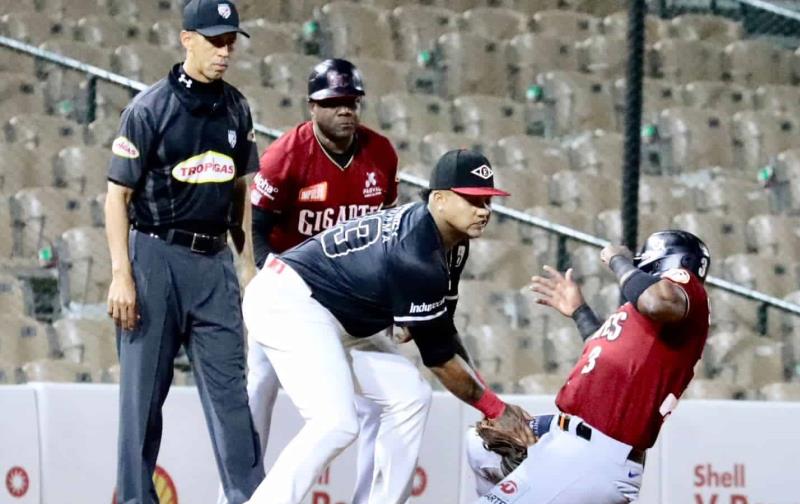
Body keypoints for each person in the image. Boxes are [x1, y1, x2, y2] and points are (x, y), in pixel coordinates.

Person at [242, 149, 536, 503]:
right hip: (288, 301)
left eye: (488, 201)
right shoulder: (417, 255)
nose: (484, 211)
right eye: (473, 200)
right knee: (334, 423)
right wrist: (496, 410)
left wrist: (493, 401)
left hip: (334, 315)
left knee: (410, 396)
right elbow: (439, 361)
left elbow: (444, 333)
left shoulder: (451, 243)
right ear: (440, 200)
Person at [104, 1, 263, 502]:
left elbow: (241, 189)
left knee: (232, 401)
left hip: (214, 263)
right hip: (155, 258)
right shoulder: (149, 108)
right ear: (186, 39)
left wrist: (247, 266)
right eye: (216, 40)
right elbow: (116, 195)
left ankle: (247, 497)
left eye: (231, 40)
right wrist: (121, 275)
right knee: (141, 405)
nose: (225, 50)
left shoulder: (237, 107)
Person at [242, 58, 400, 502]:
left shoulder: (381, 154)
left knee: (395, 398)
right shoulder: (286, 155)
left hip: (350, 299)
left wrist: (388, 302)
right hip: (293, 293)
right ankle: (238, 494)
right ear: (313, 106)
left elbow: (386, 231)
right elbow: (258, 225)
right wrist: (271, 282)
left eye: (351, 101)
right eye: (333, 103)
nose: (345, 110)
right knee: (258, 392)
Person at [471, 230, 712, 504]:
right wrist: (579, 310)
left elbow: (657, 301)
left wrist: (619, 260)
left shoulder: (684, 289)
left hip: (594, 455)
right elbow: (602, 348)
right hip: (567, 437)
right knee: (480, 446)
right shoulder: (652, 324)